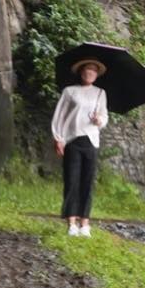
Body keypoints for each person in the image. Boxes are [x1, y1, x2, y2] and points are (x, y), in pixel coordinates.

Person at [51, 58, 108, 236]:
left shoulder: (100, 93)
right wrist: (58, 137)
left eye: (93, 70)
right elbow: (59, 115)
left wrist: (99, 120)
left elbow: (104, 116)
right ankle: (72, 223)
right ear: (81, 72)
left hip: (91, 140)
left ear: (96, 75)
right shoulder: (70, 91)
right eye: (86, 70)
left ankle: (85, 223)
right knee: (72, 180)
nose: (89, 73)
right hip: (73, 140)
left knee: (87, 182)